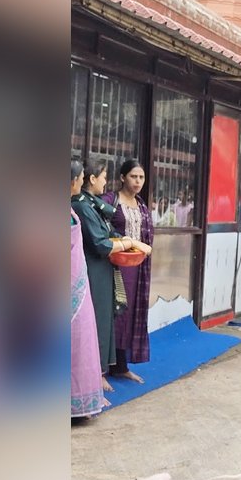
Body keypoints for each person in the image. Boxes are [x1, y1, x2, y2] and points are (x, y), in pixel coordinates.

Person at [71, 159, 147, 393]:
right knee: (96, 322)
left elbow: (108, 231)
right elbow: (99, 242)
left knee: (105, 320)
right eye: (103, 177)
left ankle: (105, 369)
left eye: (141, 177)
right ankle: (96, 374)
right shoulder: (82, 206)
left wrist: (128, 243)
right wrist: (128, 243)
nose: (105, 182)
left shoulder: (92, 204)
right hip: (93, 270)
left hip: (105, 268)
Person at [102, 159, 153, 384]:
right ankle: (101, 369)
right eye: (133, 176)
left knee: (129, 315)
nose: (138, 181)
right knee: (112, 315)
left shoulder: (141, 205)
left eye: (141, 177)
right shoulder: (109, 201)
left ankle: (121, 366)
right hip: (113, 267)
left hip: (136, 270)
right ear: (122, 177)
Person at [70, 160, 105, 418]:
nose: (82, 182)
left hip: (77, 287)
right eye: (81, 178)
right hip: (71, 289)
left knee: (79, 344)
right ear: (73, 181)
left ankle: (80, 402)